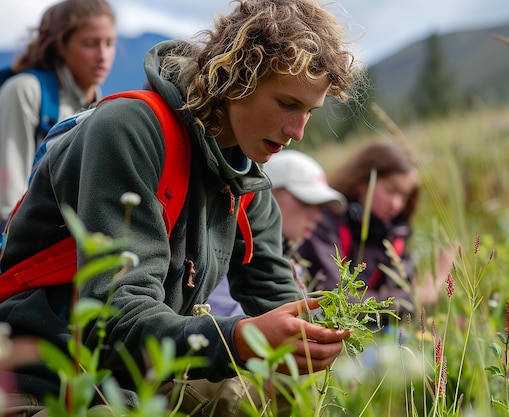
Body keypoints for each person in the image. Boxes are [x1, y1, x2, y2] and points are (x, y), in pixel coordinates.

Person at [0, 0, 360, 415]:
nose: (298, 131)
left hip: (141, 377)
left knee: (287, 396)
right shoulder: (128, 130)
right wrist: (238, 340)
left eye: (309, 112)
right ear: (237, 80)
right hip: (45, 376)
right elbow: (118, 317)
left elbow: (277, 294)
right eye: (286, 104)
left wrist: (324, 341)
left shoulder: (244, 173)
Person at [298, 140, 455, 320]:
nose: (396, 204)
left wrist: (437, 278)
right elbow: (334, 302)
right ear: (362, 183)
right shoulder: (322, 222)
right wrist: (419, 296)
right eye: (390, 190)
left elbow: (399, 294)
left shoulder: (396, 233)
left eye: (404, 195)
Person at [0, 0, 117, 227]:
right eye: (91, 43)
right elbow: (7, 197)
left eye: (110, 43)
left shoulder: (102, 109)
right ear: (61, 46)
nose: (103, 55)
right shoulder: (26, 91)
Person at [207, 149, 347, 317]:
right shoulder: (223, 249)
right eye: (306, 200)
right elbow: (220, 318)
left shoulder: (294, 265)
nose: (317, 216)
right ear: (268, 193)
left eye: (321, 208)